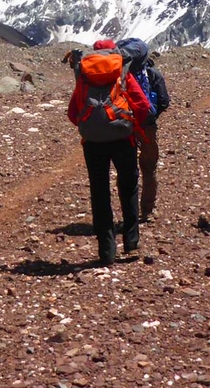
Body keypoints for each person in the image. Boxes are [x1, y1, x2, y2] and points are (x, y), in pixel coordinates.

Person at [67, 46, 153, 265]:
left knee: (99, 191)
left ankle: (107, 251)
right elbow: (143, 105)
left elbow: (72, 112)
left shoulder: (84, 76)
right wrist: (132, 124)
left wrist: (90, 126)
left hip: (93, 143)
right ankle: (131, 243)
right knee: (129, 186)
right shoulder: (122, 73)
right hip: (124, 137)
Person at [116, 39, 171, 223]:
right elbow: (164, 101)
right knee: (149, 168)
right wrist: (151, 118)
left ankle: (128, 211)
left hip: (124, 125)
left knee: (126, 169)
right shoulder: (152, 74)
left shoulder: (119, 75)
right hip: (146, 126)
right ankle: (147, 209)